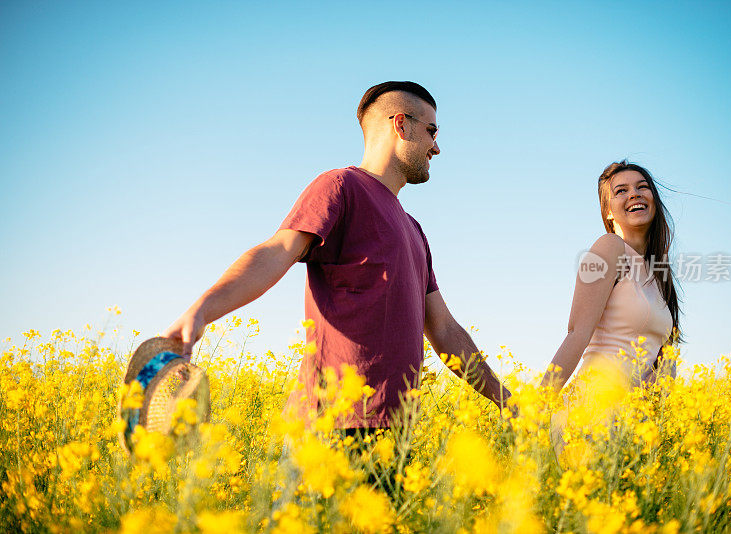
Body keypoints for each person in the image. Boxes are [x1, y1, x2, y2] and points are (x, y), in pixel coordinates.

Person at [162, 81, 510, 434]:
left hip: (394, 438)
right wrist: (202, 310)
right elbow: (277, 251)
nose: (437, 147)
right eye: (431, 131)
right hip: (329, 429)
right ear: (400, 124)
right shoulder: (342, 187)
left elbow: (445, 330)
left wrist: (508, 402)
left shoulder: (414, 230)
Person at [542, 160, 681, 394]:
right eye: (621, 191)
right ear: (607, 210)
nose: (634, 194)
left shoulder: (659, 272)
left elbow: (665, 357)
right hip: (593, 409)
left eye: (642, 187)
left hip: (634, 420)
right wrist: (534, 409)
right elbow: (577, 333)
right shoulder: (609, 247)